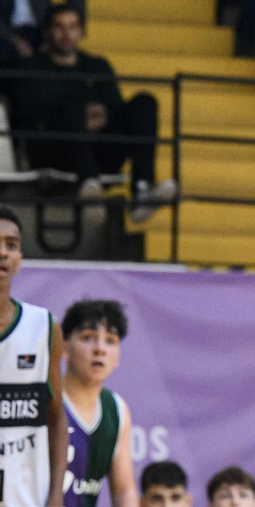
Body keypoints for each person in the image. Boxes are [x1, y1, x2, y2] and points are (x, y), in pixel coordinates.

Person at [16, 4, 170, 223]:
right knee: (70, 107)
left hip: (100, 153)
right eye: (59, 27)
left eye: (72, 27)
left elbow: (116, 111)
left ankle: (142, 189)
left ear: (82, 31)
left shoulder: (97, 65)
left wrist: (94, 117)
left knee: (145, 102)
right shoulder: (31, 68)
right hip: (56, 154)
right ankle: (89, 188)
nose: (66, 34)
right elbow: (32, 114)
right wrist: (78, 114)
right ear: (47, 32)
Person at [0, 204, 69, 507]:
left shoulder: (43, 326)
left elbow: (55, 417)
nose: (3, 252)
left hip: (26, 498)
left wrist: (56, 495)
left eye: (11, 245)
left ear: (19, 260)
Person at [60, 299, 136, 507]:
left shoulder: (117, 409)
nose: (100, 349)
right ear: (64, 348)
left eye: (110, 341)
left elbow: (124, 491)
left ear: (118, 356)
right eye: (88, 338)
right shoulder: (45, 398)